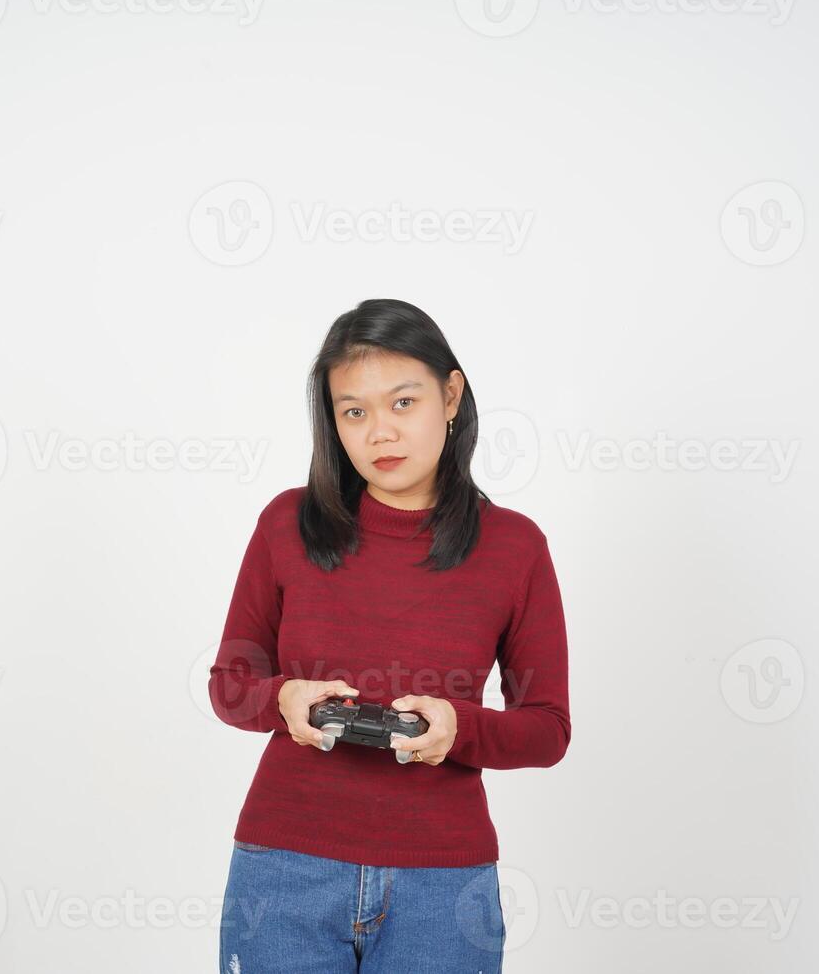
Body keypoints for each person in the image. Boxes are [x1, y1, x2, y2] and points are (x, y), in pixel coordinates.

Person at [209, 299, 572, 972]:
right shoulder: (286, 524)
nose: (380, 433)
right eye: (354, 411)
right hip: (284, 869)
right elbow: (229, 686)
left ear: (452, 394)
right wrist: (284, 700)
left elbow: (548, 728)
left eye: (403, 403)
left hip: (441, 885)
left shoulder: (514, 546)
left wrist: (457, 729)